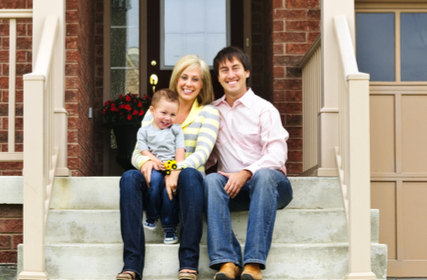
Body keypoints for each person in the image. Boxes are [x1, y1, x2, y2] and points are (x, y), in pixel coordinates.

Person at [116, 54, 221, 280]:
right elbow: (137, 151)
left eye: (195, 79)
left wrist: (175, 169)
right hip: (154, 182)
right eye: (184, 77)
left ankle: (188, 264)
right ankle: (132, 265)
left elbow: (202, 153)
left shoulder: (208, 113)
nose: (188, 83)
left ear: (203, 84)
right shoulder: (156, 111)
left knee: (191, 175)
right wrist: (147, 162)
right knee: (128, 178)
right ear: (176, 79)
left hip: (186, 185)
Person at [205, 46, 294, 280]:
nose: (230, 74)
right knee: (211, 179)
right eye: (224, 70)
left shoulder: (264, 109)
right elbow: (207, 156)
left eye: (236, 68)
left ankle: (253, 264)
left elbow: (277, 154)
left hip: (272, 187)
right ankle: (227, 261)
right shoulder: (212, 112)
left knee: (263, 175)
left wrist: (246, 172)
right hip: (234, 189)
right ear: (218, 77)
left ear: (246, 73)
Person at [136, 88, 186, 244]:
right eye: (163, 113)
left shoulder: (176, 130)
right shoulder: (144, 131)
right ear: (152, 110)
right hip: (156, 166)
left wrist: (176, 170)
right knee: (154, 183)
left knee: (168, 193)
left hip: (172, 167)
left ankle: (169, 228)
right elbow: (143, 150)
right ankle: (151, 216)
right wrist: (155, 161)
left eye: (172, 114)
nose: (168, 118)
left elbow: (180, 150)